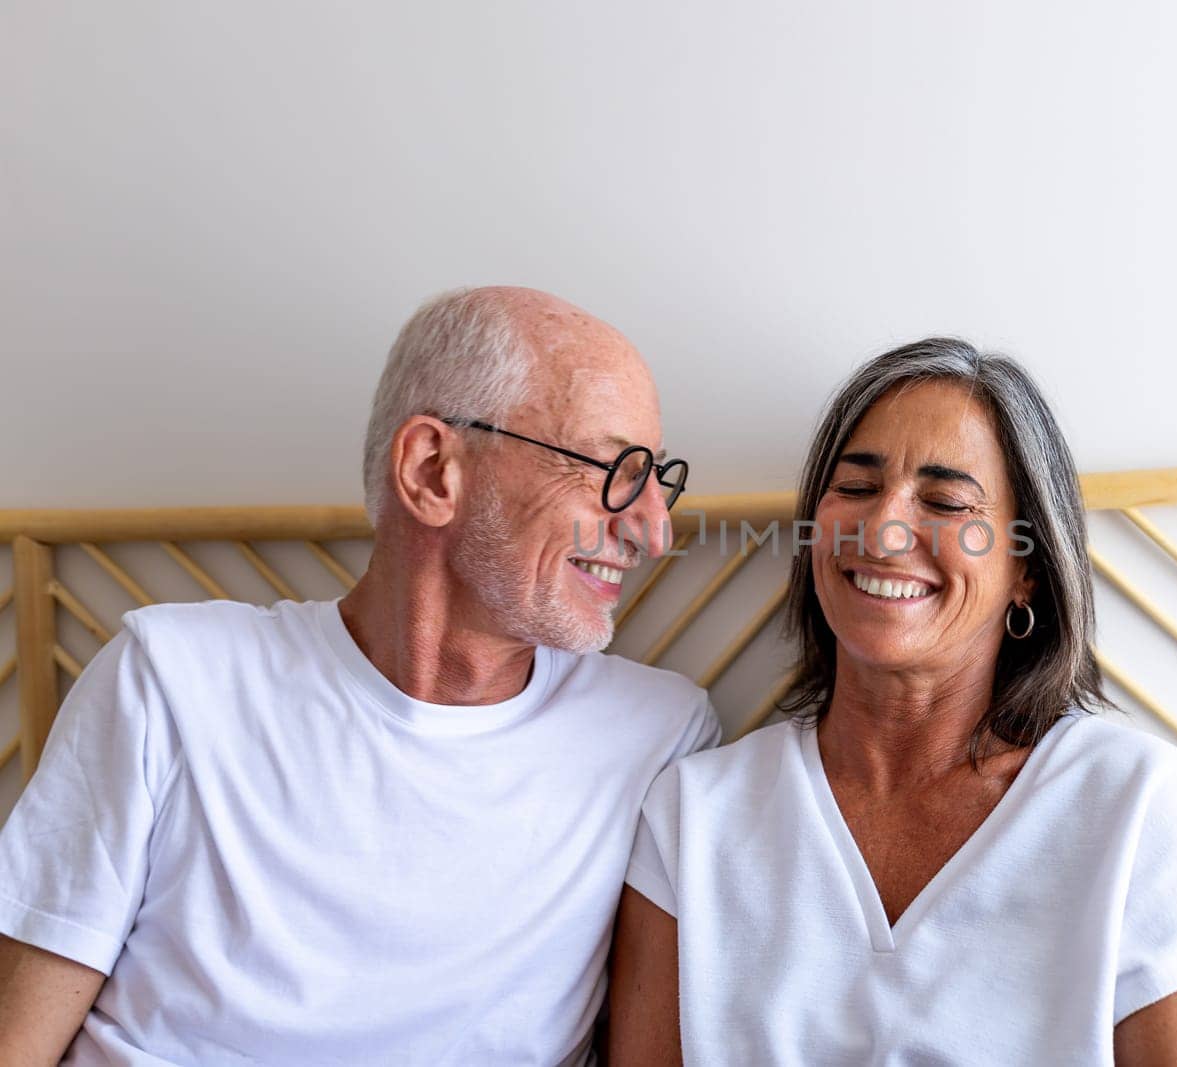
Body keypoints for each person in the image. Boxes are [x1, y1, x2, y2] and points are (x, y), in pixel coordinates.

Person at [0, 287, 720, 1065]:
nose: (654, 528)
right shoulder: (171, 680)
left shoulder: (659, 740)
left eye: (657, 480)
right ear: (432, 470)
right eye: (612, 470)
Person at [609, 338, 1177, 1065]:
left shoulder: (1134, 807)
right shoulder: (694, 816)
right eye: (857, 488)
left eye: (945, 501)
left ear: (1025, 567)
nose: (885, 529)